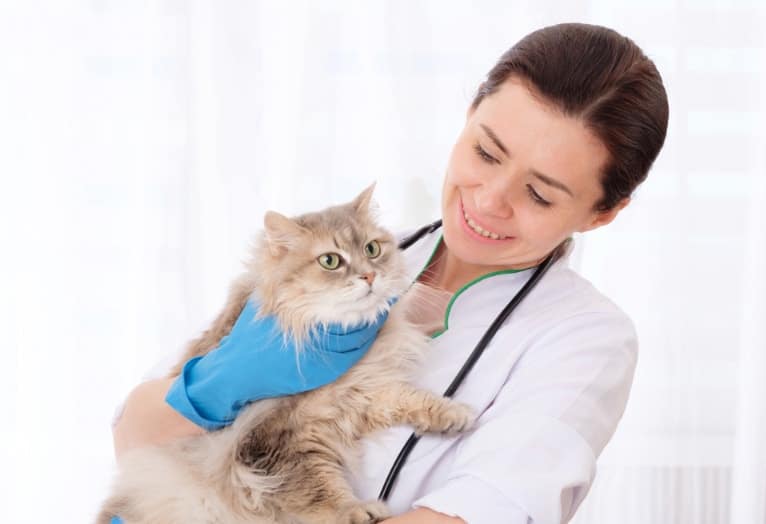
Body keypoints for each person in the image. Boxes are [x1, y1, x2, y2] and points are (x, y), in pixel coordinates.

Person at [111, 22, 668, 524]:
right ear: (468, 118)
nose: (490, 199)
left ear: (603, 212)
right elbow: (134, 434)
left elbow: (482, 511)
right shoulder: (340, 258)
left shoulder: (585, 337)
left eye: (539, 194)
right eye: (487, 153)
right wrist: (220, 382)